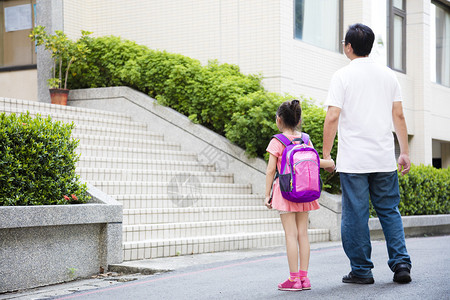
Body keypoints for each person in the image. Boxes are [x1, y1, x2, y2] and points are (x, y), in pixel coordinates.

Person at [322, 23, 412, 284]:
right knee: (389, 211)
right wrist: (404, 151)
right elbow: (399, 115)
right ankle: (401, 264)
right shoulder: (388, 75)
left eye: (344, 43)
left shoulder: (342, 76)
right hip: (383, 158)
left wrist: (327, 153)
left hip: (354, 161)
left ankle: (361, 270)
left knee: (355, 215)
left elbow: (332, 116)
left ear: (349, 47)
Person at [265, 99, 335, 291]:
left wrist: (267, 195)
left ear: (279, 120)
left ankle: (293, 279)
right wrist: (330, 163)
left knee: (290, 234)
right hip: (305, 190)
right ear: (298, 119)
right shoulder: (305, 139)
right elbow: (314, 161)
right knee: (303, 233)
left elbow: (271, 170)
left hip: (286, 191)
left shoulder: (277, 141)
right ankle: (304, 278)